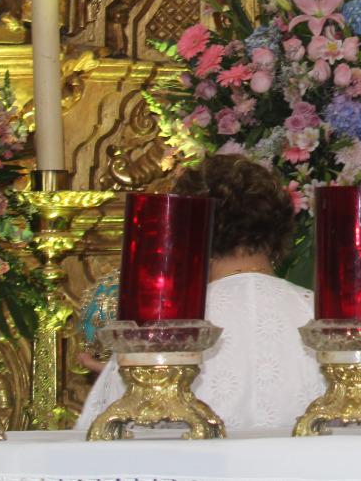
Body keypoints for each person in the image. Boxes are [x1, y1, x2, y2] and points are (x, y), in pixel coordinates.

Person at [75, 156, 327, 433]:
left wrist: (125, 375)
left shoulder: (161, 326)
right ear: (280, 227)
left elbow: (112, 442)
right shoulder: (328, 317)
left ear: (182, 233)